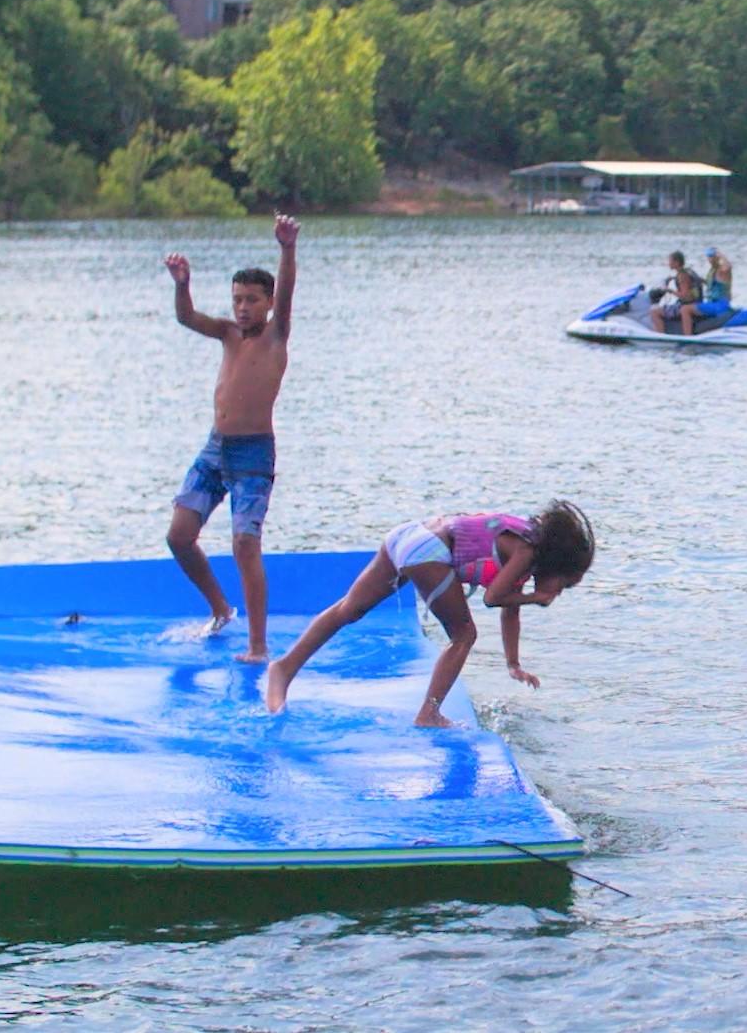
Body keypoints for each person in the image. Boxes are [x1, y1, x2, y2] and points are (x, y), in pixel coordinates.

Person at [264, 502, 595, 727]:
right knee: (464, 636)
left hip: (407, 535)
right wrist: (538, 597)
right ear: (558, 564)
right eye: (564, 584)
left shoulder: (524, 545)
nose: (558, 592)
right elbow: (495, 599)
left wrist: (513, 664)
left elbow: (509, 609)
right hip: (429, 550)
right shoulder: (526, 551)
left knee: (349, 608)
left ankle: (284, 668)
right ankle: (429, 713)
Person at [163, 214, 298, 663]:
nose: (242, 308)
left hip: (253, 454)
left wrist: (286, 248)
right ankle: (220, 608)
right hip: (215, 448)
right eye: (237, 300)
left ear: (269, 303)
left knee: (244, 544)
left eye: (252, 300)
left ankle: (258, 645)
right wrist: (183, 282)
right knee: (180, 536)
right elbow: (186, 316)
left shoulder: (277, 335)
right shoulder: (227, 333)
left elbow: (289, 290)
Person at [651, 250, 703, 336]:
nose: (668, 263)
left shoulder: (682, 276)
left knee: (655, 312)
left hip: (687, 305)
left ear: (676, 262)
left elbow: (685, 296)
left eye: (670, 261)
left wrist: (669, 290)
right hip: (696, 303)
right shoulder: (688, 272)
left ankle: (661, 337)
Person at [698, 248, 734, 320]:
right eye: (709, 256)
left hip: (722, 303)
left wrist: (721, 255)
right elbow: (710, 284)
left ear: (717, 257)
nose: (710, 258)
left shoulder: (722, 270)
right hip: (713, 302)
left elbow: (729, 266)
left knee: (687, 309)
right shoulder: (712, 270)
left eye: (712, 256)